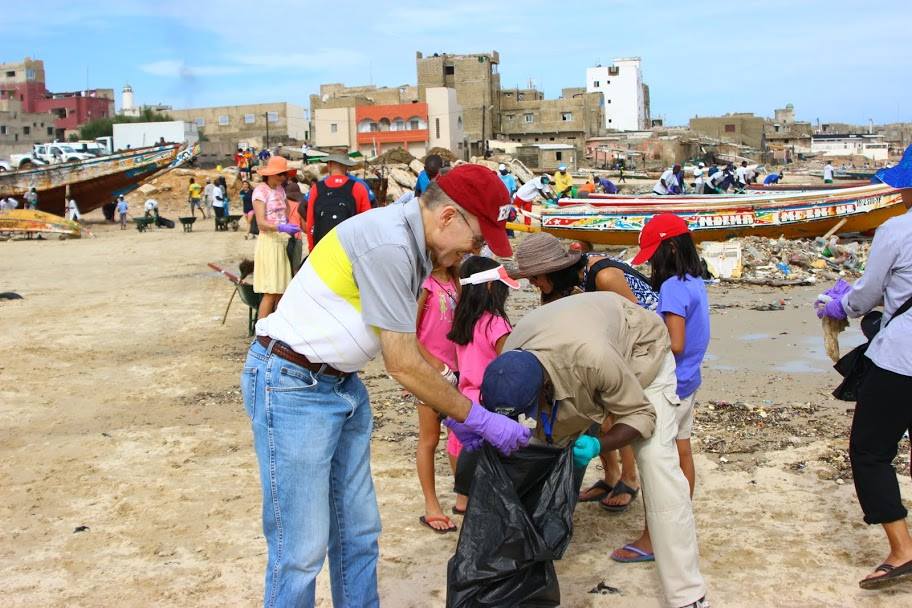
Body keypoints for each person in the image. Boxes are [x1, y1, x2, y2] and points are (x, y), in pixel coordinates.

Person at [241, 164, 528, 607]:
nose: (476, 251)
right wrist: (474, 417)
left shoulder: (414, 247)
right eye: (477, 240)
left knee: (358, 533)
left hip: (339, 387)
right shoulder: (391, 243)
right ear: (449, 217)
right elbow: (403, 364)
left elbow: (413, 350)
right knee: (300, 550)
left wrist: (457, 408)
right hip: (292, 385)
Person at [480, 292, 709, 608]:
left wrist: (599, 444)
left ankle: (688, 594)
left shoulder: (593, 358)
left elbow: (641, 415)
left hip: (640, 353)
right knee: (534, 457)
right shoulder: (509, 364)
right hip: (578, 356)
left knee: (656, 462)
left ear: (544, 389)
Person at [511, 232, 658, 512]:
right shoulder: (555, 289)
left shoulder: (602, 276)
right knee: (592, 410)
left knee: (617, 409)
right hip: (602, 340)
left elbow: (635, 319)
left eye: (535, 278)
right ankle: (611, 474)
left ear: (552, 271)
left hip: (640, 340)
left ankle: (629, 478)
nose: (532, 284)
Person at [815, 191, 912, 590]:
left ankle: (903, 550)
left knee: (870, 451)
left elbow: (868, 293)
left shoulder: (898, 229)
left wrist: (840, 304)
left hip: (902, 359)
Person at [612, 213, 710, 567]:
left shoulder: (671, 288)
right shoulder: (695, 281)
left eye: (654, 254)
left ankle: (654, 537)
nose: (651, 261)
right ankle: (680, 524)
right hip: (691, 382)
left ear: (669, 247)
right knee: (682, 453)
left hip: (670, 384)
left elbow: (676, 342)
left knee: (657, 464)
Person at [415, 258, 462, 533]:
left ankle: (463, 495)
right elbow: (410, 332)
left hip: (459, 366)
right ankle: (431, 504)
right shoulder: (425, 284)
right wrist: (434, 365)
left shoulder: (457, 281)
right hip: (432, 371)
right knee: (429, 438)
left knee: (460, 435)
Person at [252, 156, 300, 320]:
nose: (283, 178)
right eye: (280, 175)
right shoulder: (260, 191)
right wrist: (280, 227)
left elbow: (285, 212)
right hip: (269, 241)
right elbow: (261, 223)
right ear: (270, 174)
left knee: (282, 290)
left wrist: (289, 225)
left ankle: (277, 329)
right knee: (271, 291)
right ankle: (261, 332)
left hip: (282, 241)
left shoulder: (280, 190)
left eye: (284, 175)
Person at [304, 154, 371, 251]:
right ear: (347, 167)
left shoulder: (316, 189)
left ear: (329, 165)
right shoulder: (359, 187)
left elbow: (310, 222)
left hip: (322, 248)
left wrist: (312, 249)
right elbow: (366, 223)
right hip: (349, 248)